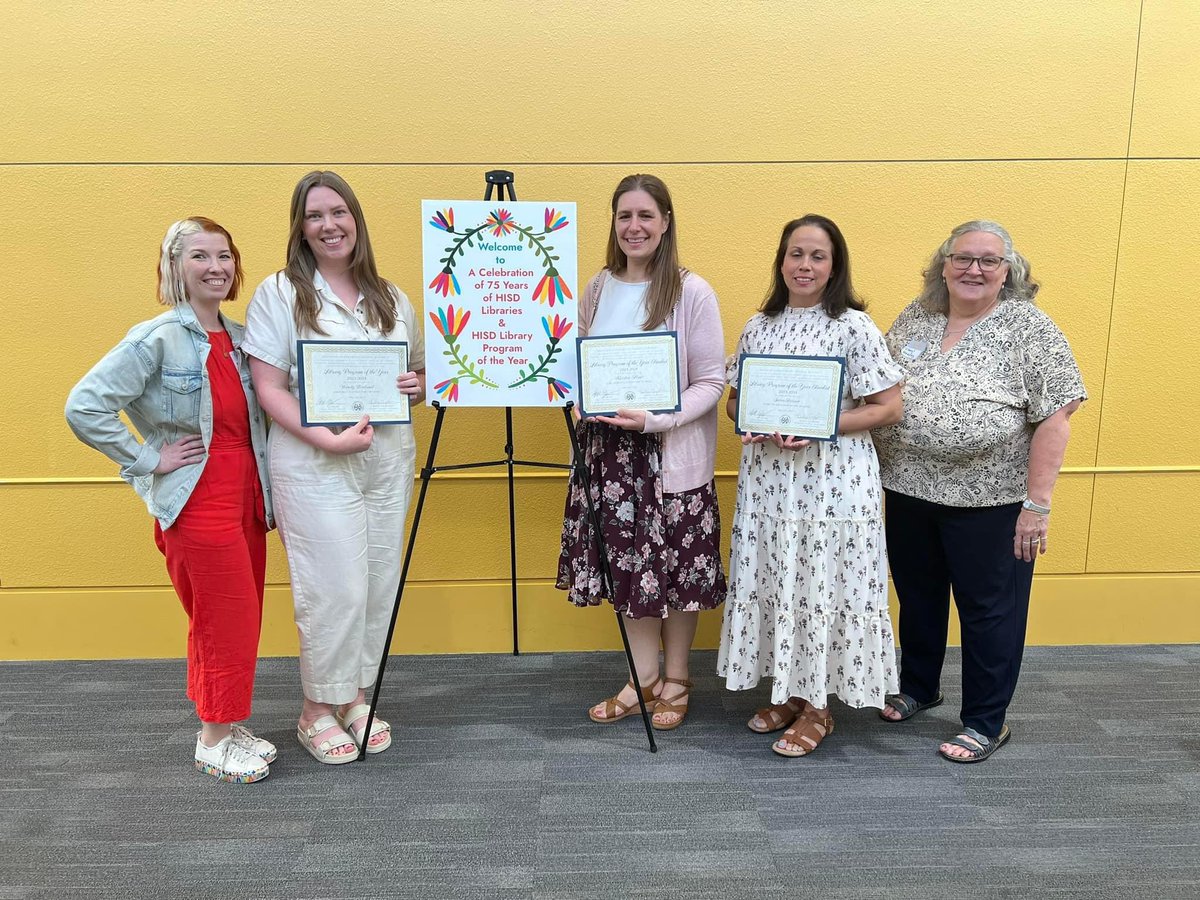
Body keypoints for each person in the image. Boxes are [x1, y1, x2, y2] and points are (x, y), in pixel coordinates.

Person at [66, 217, 275, 783]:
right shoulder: (157, 337)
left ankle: (224, 722)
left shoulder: (237, 336)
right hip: (198, 501)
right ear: (174, 267)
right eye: (200, 256)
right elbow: (84, 406)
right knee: (223, 620)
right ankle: (213, 739)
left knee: (236, 616)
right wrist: (147, 459)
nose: (216, 267)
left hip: (247, 499)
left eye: (225, 256)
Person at [874, 220, 1086, 763]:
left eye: (988, 261)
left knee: (989, 611)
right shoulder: (916, 316)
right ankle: (920, 686)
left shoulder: (1029, 328)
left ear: (1007, 271)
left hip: (991, 502)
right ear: (942, 265)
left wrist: (1036, 508)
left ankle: (986, 720)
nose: (974, 269)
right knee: (918, 596)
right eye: (963, 258)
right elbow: (879, 386)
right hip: (907, 489)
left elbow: (1056, 419)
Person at [242, 171, 425, 765]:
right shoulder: (279, 293)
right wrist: (327, 437)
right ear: (300, 227)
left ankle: (354, 697)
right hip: (314, 462)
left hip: (386, 459)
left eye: (339, 213)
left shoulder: (391, 298)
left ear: (356, 220)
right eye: (315, 215)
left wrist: (413, 386)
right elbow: (268, 387)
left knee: (376, 582)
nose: (329, 225)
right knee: (333, 588)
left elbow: (416, 378)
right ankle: (315, 708)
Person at [717, 215, 904, 757]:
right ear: (781, 260)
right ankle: (790, 690)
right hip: (771, 481)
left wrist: (819, 425)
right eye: (796, 254)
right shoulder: (759, 325)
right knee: (781, 579)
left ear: (834, 265)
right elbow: (734, 399)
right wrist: (748, 417)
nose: (805, 265)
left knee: (822, 582)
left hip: (832, 482)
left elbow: (889, 406)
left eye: (817, 256)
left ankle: (820, 707)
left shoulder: (853, 326)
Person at [558, 174, 726, 730]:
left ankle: (677, 678)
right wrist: (578, 399)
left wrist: (657, 419)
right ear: (614, 223)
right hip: (609, 460)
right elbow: (577, 363)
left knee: (679, 570)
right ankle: (643, 677)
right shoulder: (598, 287)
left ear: (665, 222)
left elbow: (710, 382)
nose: (634, 227)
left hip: (668, 456)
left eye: (646, 216)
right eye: (624, 216)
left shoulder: (690, 291)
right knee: (630, 575)